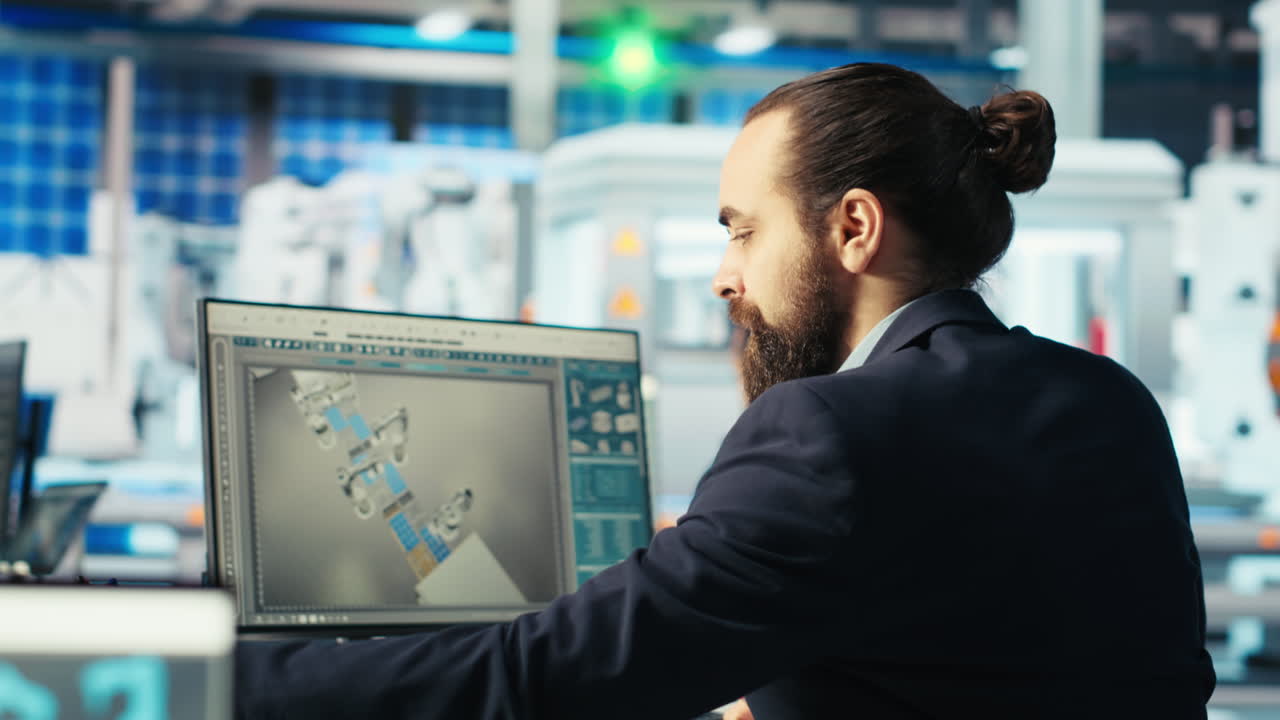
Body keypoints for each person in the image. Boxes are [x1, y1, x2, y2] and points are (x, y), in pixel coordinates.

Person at [234, 63, 1215, 719]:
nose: (722, 274)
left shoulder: (829, 432)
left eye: (742, 228)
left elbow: (536, 679)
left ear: (853, 228)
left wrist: (216, 676)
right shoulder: (1106, 401)